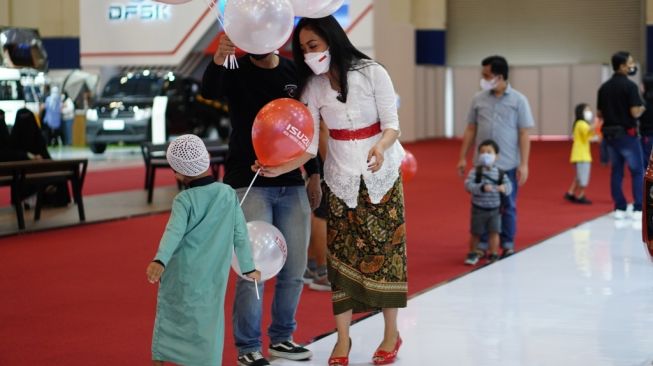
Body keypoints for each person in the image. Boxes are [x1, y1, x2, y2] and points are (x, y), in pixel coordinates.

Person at [292, 16, 407, 366]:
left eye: (313, 46)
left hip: (382, 174)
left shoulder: (372, 72)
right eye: (303, 50)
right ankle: (342, 339)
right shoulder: (312, 87)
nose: (310, 54)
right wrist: (280, 165)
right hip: (340, 178)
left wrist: (381, 147)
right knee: (339, 261)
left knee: (387, 254)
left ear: (331, 39)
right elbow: (309, 143)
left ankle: (391, 333)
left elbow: (392, 125)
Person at [201, 34, 319, 366]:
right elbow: (209, 92)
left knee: (294, 267)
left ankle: (282, 337)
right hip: (247, 182)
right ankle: (248, 346)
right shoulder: (235, 69)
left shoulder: (294, 73)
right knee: (252, 269)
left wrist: (314, 173)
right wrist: (219, 59)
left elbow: (303, 129)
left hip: (292, 183)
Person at [145, 134, 261, 366]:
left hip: (182, 275)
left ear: (177, 173)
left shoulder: (184, 200)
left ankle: (161, 360)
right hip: (213, 276)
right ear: (207, 159)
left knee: (171, 318)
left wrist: (160, 260)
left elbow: (173, 233)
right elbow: (240, 234)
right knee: (208, 322)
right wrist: (249, 267)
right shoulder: (228, 194)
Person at [456, 55, 534, 259]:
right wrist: (463, 157)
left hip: (507, 164)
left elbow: (524, 134)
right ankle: (481, 244)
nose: (483, 78)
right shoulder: (478, 99)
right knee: (481, 205)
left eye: (487, 75)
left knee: (508, 206)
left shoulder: (519, 100)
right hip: (481, 166)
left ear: (500, 76)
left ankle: (507, 244)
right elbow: (471, 129)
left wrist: (524, 164)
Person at [597, 51, 646, 220]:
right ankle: (639, 207)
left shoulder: (604, 88)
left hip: (610, 136)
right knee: (637, 171)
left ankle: (619, 207)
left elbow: (600, 113)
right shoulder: (630, 87)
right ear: (622, 66)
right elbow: (634, 112)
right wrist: (642, 109)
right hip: (627, 135)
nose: (632, 65)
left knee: (616, 171)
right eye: (630, 62)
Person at [464, 139, 512, 265]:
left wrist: (504, 188)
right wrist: (481, 188)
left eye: (489, 152)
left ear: (496, 156)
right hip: (478, 208)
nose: (486, 154)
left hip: (495, 209)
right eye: (483, 152)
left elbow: (509, 186)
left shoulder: (500, 173)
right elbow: (468, 185)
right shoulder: (475, 172)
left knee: (494, 232)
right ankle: (473, 252)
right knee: (476, 232)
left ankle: (494, 253)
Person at [565, 103, 596, 204]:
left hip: (579, 154)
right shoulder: (581, 124)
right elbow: (588, 130)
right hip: (582, 156)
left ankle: (570, 193)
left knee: (578, 176)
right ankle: (581, 195)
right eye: (587, 110)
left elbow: (588, 136)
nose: (589, 112)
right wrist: (598, 123)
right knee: (583, 177)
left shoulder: (579, 124)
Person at [639, 73, 653, 168]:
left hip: (648, 135)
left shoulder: (644, 104)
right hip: (647, 134)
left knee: (647, 163)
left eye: (642, 84)